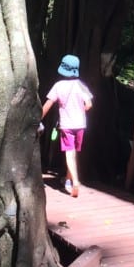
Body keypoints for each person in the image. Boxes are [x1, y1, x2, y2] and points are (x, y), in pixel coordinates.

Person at [41, 54, 92, 197]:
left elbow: (47, 105)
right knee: (73, 153)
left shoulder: (58, 86)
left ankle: (75, 181)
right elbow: (89, 104)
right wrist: (79, 110)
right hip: (80, 124)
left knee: (69, 153)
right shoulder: (81, 85)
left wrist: (38, 119)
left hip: (67, 125)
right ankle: (68, 180)